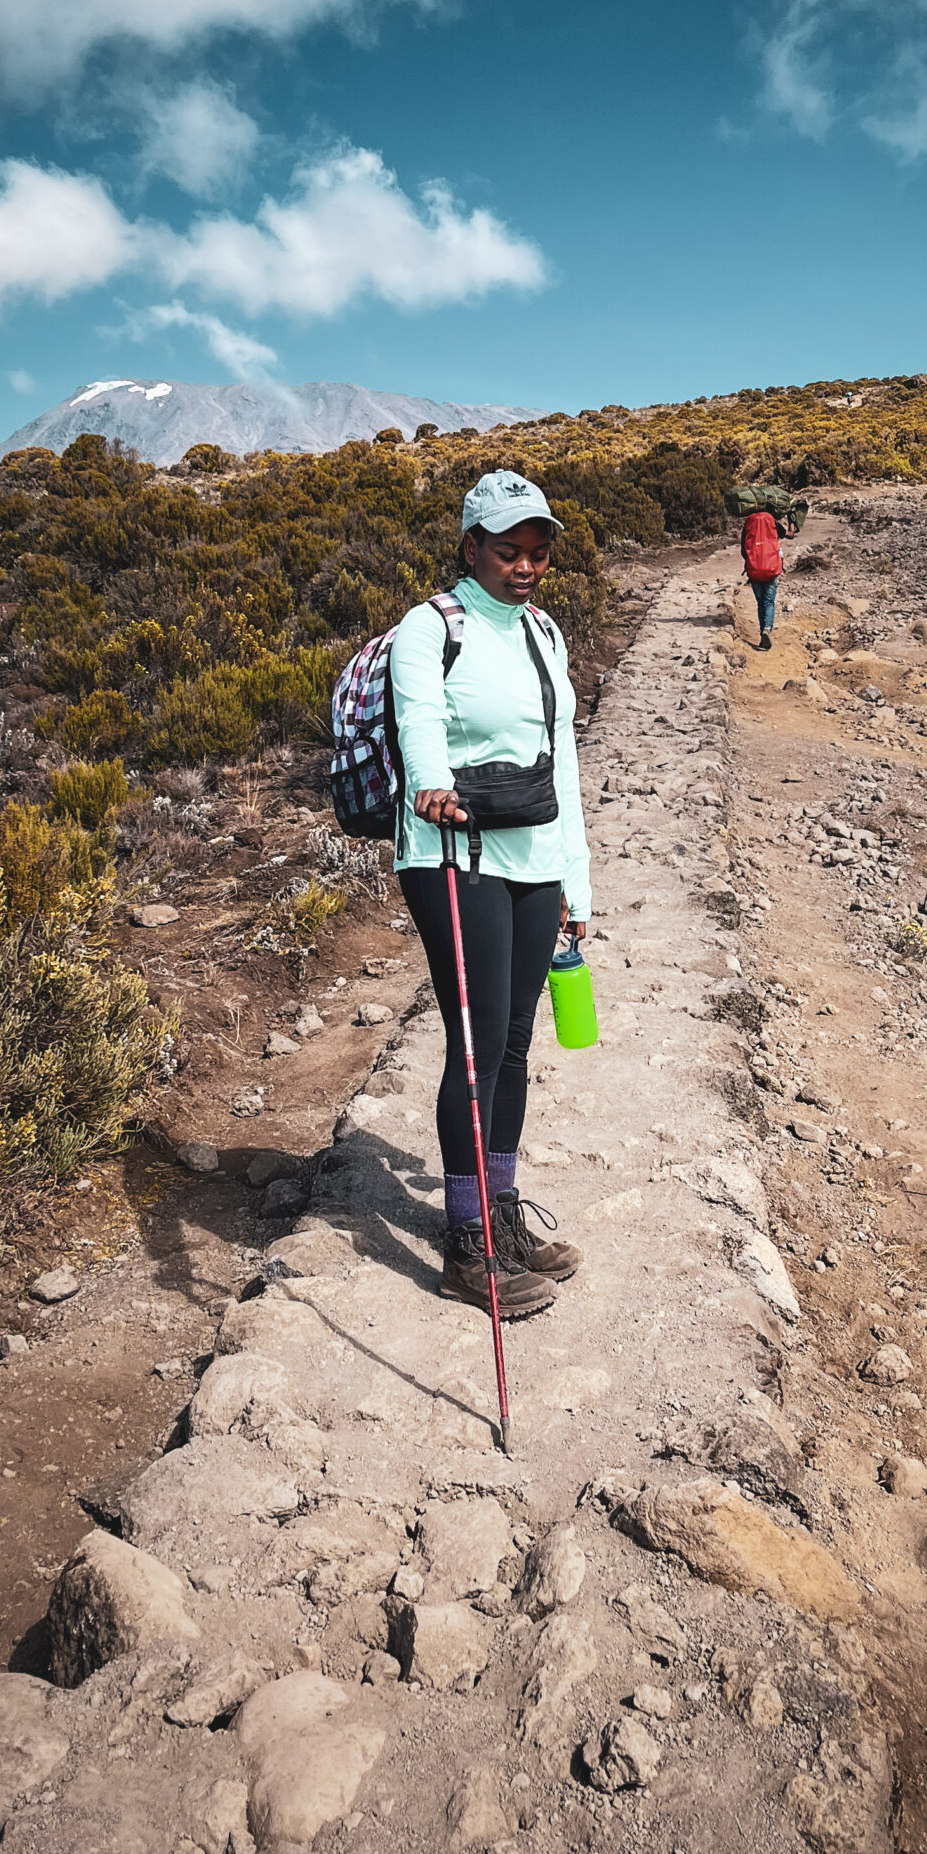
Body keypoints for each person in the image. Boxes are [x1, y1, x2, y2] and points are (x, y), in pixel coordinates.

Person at [390, 471, 591, 1318]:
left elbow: (565, 763)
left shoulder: (545, 633)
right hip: (455, 852)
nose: (525, 567)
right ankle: (466, 1245)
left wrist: (577, 881)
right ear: (471, 546)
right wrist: (431, 783)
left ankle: (502, 1214)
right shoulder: (429, 627)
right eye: (508, 551)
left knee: (513, 1042)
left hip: (536, 855)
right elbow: (418, 720)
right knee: (472, 1046)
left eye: (537, 553)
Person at [741, 502, 785, 650]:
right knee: (769, 602)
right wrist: (794, 521)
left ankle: (762, 633)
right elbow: (789, 534)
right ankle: (767, 629)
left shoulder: (749, 522)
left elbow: (743, 550)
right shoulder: (772, 520)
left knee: (761, 603)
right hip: (771, 568)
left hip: (754, 570)